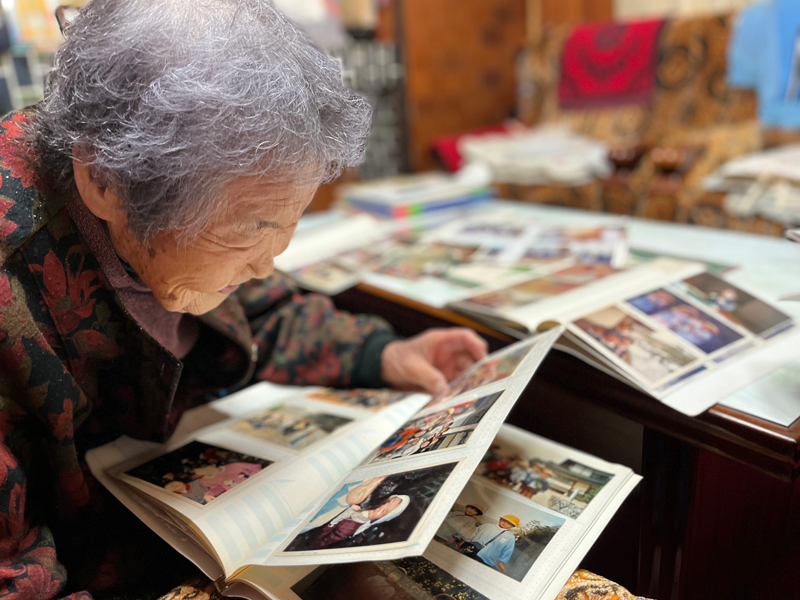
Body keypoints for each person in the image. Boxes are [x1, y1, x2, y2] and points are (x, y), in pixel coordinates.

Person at [0, 1, 490, 597]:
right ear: (103, 178)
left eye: (287, 226)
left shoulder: (189, 207)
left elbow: (260, 308)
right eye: (251, 230)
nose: (267, 262)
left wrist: (383, 354)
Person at [286, 476, 410, 551]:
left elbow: (321, 540)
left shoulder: (354, 525)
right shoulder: (362, 506)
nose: (383, 507)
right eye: (387, 503)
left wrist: (328, 525)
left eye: (387, 511)